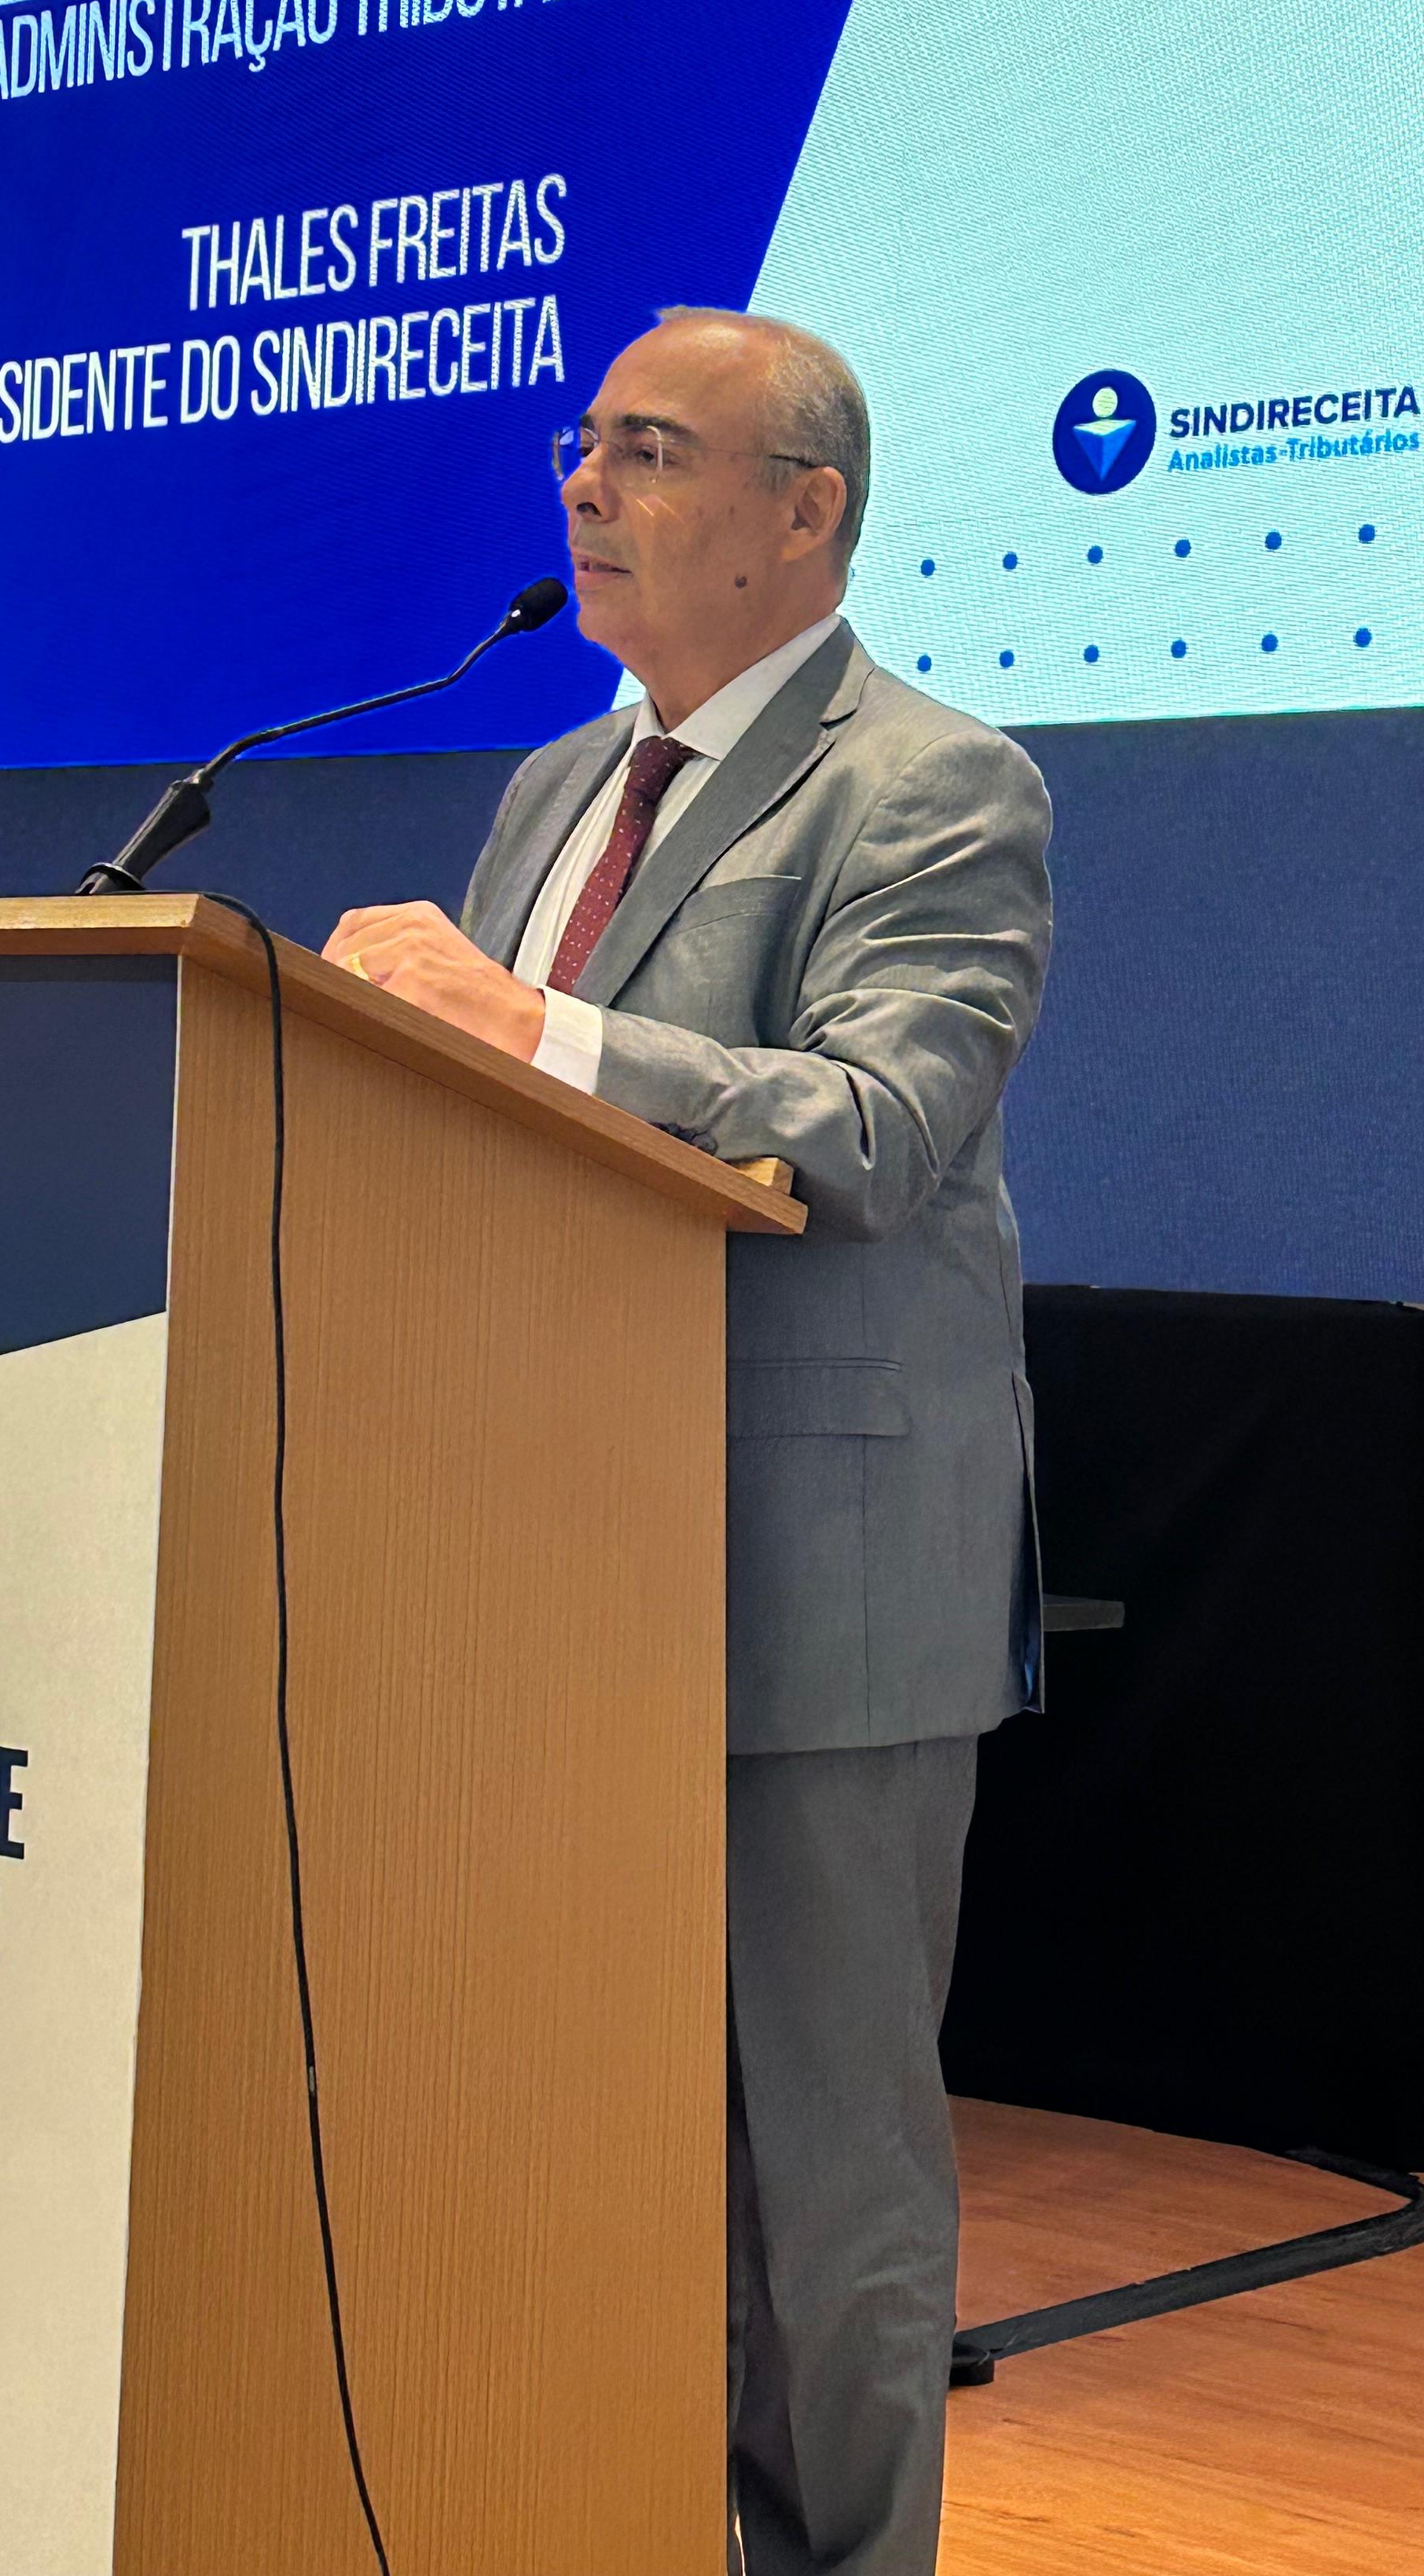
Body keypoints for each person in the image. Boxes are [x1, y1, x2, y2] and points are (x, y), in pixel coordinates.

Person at [325, 306, 1053, 2576]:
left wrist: (527, 1025)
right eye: (588, 444)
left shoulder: (934, 784)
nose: (585, 486)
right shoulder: (554, 784)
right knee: (592, 2138)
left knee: (821, 2171)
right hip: (549, 1548)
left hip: (812, 1567)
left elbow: (880, 1128)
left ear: (802, 513)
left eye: (649, 450)